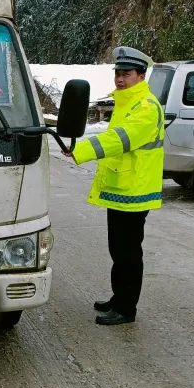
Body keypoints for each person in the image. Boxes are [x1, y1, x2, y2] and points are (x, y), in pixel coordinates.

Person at [62, 46, 165, 326]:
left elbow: (120, 140)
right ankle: (119, 298)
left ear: (141, 76)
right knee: (118, 251)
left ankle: (126, 308)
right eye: (118, 74)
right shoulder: (125, 103)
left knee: (128, 254)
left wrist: (81, 151)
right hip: (122, 190)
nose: (120, 79)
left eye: (127, 74)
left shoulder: (145, 107)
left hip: (135, 191)